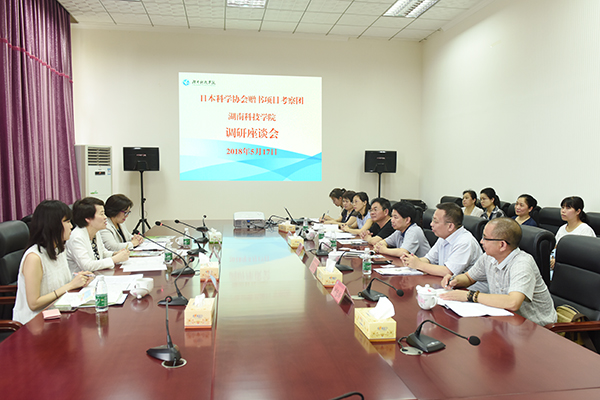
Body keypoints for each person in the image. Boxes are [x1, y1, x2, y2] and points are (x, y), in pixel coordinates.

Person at [440, 218, 557, 327]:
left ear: (502, 245)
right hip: (505, 320)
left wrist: (470, 296)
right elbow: (469, 278)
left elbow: (513, 302)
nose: (481, 241)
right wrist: (455, 280)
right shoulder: (488, 257)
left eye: (485, 238)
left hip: (536, 327)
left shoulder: (522, 263)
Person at [13, 200, 92, 324]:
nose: (71, 226)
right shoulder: (34, 257)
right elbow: (34, 304)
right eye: (67, 222)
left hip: (58, 314)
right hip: (34, 323)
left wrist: (79, 279)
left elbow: (59, 282)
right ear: (53, 225)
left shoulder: (59, 250)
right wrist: (70, 286)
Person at [402, 203, 482, 279]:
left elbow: (448, 272)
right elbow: (429, 259)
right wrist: (411, 260)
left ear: (450, 226)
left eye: (435, 221)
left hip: (468, 287)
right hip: (445, 283)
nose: (431, 224)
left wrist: (418, 264)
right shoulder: (444, 236)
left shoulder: (465, 242)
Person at [66, 197, 130, 273]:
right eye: (101, 214)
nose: (105, 217)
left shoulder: (96, 232)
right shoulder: (77, 237)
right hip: (83, 278)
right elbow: (87, 266)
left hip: (97, 275)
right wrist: (114, 259)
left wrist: (114, 254)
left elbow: (103, 253)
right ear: (88, 218)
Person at [550, 196, 595, 269]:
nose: (563, 211)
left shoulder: (585, 230)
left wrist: (559, 261)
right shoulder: (562, 228)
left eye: (568, 208)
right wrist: (552, 258)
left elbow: (585, 256)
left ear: (578, 211)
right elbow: (555, 248)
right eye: (562, 207)